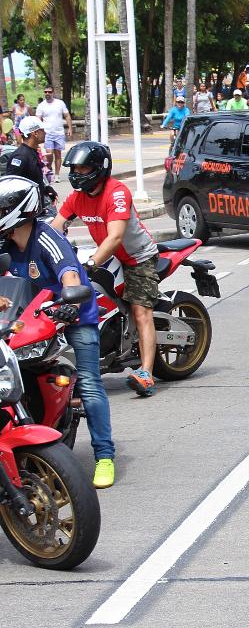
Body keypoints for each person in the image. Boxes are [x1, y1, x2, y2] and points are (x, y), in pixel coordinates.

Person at [0, 177, 117, 488]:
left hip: (75, 312)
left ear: (19, 210)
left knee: (90, 384)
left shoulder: (46, 237)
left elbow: (67, 272)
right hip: (33, 320)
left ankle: (104, 456)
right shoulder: (7, 243)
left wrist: (70, 301)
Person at [54, 141, 163, 395]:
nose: (76, 174)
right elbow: (54, 229)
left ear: (98, 169)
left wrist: (92, 262)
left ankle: (146, 373)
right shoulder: (77, 198)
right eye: (74, 169)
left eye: (82, 169)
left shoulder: (116, 193)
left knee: (141, 311)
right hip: (108, 256)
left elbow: (114, 238)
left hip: (137, 258)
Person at [4, 116, 53, 197]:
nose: (45, 132)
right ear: (35, 133)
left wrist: (45, 189)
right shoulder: (20, 156)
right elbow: (11, 188)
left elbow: (32, 179)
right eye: (42, 130)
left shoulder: (32, 152)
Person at [36, 85, 72, 176]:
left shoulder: (60, 103)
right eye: (46, 92)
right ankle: (49, 168)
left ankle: (57, 175)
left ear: (53, 93)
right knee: (49, 154)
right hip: (47, 133)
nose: (47, 93)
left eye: (49, 92)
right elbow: (37, 119)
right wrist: (38, 132)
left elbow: (67, 115)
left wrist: (70, 128)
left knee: (58, 154)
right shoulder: (41, 106)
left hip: (59, 133)